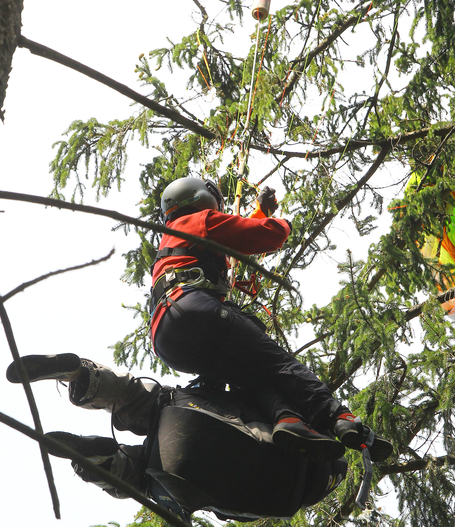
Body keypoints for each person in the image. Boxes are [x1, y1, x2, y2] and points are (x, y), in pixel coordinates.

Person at [150, 177, 393, 462]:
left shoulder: (173, 238)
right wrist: (282, 224)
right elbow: (260, 235)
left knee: (251, 375)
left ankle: (288, 419)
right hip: (193, 308)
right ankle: (339, 416)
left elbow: (231, 236)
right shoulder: (200, 220)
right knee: (277, 364)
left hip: (167, 338)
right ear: (201, 198)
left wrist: (259, 211)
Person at [6, 353, 349, 521]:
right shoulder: (288, 501)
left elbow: (254, 392)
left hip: (198, 426)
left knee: (144, 399)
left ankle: (82, 377)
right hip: (185, 483)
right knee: (140, 479)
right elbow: (229, 513)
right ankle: (102, 464)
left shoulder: (300, 431)